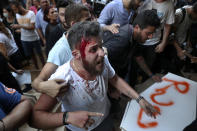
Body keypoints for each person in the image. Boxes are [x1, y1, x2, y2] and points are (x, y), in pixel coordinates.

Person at [30, 21, 160, 131]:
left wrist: (139, 99)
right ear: (76, 55)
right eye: (93, 49)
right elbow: (35, 118)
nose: (102, 53)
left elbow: (114, 79)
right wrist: (67, 117)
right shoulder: (63, 78)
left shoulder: (101, 60)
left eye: (101, 46)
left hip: (105, 119)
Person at [32, 4, 91, 97]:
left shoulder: (85, 36)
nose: (92, 23)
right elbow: (37, 81)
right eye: (87, 21)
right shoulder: (60, 50)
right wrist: (41, 86)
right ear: (74, 24)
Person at [103, 10, 162, 86]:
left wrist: (151, 75)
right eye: (148, 33)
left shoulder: (137, 36)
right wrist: (112, 87)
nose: (151, 37)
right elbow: (102, 60)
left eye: (152, 33)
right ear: (137, 27)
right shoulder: (122, 39)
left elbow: (139, 57)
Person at [10, 1, 45, 69]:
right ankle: (37, 69)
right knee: (32, 56)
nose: (15, 11)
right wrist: (20, 30)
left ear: (19, 6)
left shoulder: (30, 13)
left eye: (15, 9)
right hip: (24, 39)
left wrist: (20, 26)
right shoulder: (17, 15)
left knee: (40, 54)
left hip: (34, 38)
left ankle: (44, 67)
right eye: (13, 10)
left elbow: (32, 27)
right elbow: (24, 26)